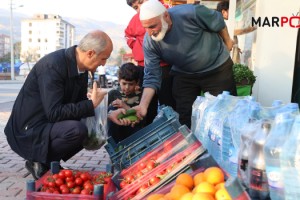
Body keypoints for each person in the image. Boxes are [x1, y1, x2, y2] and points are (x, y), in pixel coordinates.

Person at [4, 30, 130, 180]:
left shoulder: (82, 69)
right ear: (90, 53)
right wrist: (91, 105)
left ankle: (49, 162)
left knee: (89, 129)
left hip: (48, 123)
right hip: (29, 129)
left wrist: (107, 115)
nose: (104, 64)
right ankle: (39, 161)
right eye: (104, 58)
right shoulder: (53, 66)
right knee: (77, 130)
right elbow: (54, 112)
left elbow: (76, 107)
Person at [134, 0, 237, 128]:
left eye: (153, 26)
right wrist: (143, 106)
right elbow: (151, 77)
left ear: (166, 16)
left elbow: (219, 22)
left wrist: (227, 43)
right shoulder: (150, 42)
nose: (150, 32)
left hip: (217, 68)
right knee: (184, 118)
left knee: (224, 115)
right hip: (184, 74)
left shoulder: (192, 12)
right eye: (146, 28)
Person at [125, 0, 175, 126]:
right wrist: (140, 49)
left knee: (168, 104)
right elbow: (128, 36)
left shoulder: (165, 10)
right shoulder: (134, 20)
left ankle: (169, 134)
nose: (140, 8)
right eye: (136, 7)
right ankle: (148, 137)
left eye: (141, 2)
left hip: (166, 67)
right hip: (144, 67)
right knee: (147, 107)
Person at [107, 62, 145, 142]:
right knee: (112, 108)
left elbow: (142, 118)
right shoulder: (113, 94)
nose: (127, 88)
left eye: (131, 84)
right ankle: (114, 145)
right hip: (116, 131)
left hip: (134, 130)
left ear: (137, 82)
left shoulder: (142, 95)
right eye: (124, 84)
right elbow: (105, 115)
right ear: (119, 80)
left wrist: (125, 107)